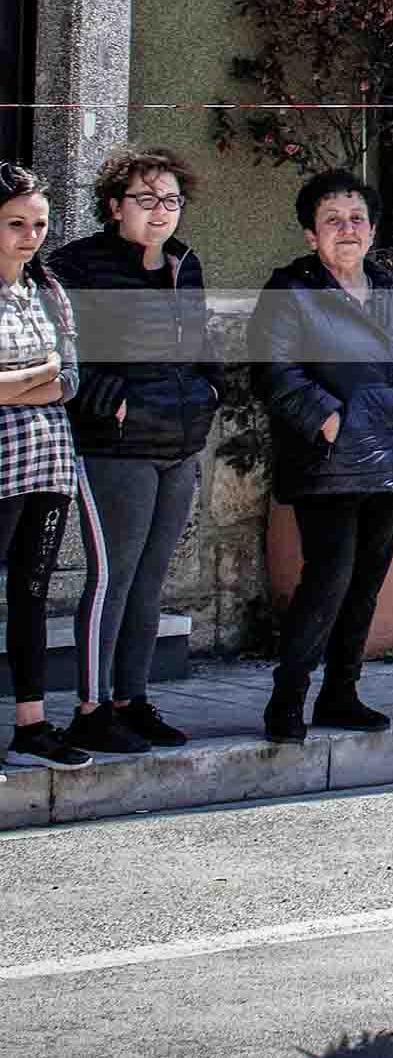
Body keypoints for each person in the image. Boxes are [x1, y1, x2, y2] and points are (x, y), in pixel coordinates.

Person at [250, 168, 393, 745]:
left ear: (371, 231)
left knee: (367, 580)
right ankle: (287, 699)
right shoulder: (291, 292)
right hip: (330, 463)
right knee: (329, 578)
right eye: (333, 220)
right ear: (311, 234)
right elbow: (276, 371)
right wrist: (331, 421)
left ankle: (341, 693)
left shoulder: (390, 293)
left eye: (358, 219)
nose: (348, 229)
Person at [49, 146, 221, 754]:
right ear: (114, 205)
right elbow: (59, 355)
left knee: (151, 580)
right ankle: (91, 709)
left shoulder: (183, 265)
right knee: (111, 580)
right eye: (145, 199)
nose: (160, 212)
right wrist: (105, 399)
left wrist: (210, 388)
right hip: (115, 448)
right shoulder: (78, 267)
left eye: (170, 200)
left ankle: (133, 699)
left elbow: (199, 342)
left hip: (178, 441)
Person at [0, 161, 89, 769]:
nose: (29, 236)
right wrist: (42, 375)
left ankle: (30, 726)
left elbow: (75, 377)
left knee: (31, 595)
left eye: (39, 224)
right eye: (14, 224)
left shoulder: (50, 292)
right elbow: (53, 374)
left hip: (50, 463)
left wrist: (16, 384)